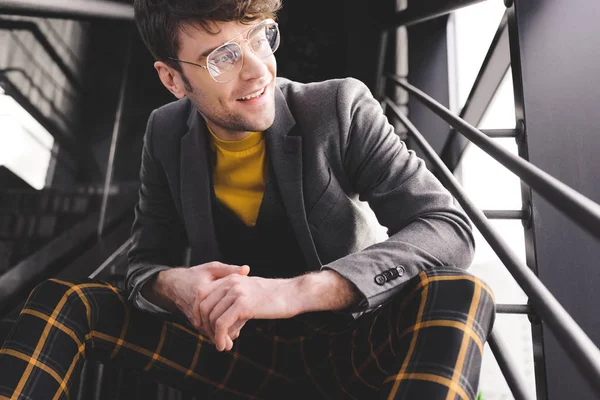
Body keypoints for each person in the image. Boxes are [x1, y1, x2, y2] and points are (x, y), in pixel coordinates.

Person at [0, 0, 495, 399]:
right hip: (237, 355)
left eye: (260, 36)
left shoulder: (338, 106)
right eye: (223, 57)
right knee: (67, 301)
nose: (259, 71)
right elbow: (143, 266)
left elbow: (447, 226)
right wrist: (174, 285)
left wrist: (292, 292)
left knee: (464, 293)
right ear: (173, 79)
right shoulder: (165, 133)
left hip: (350, 345)